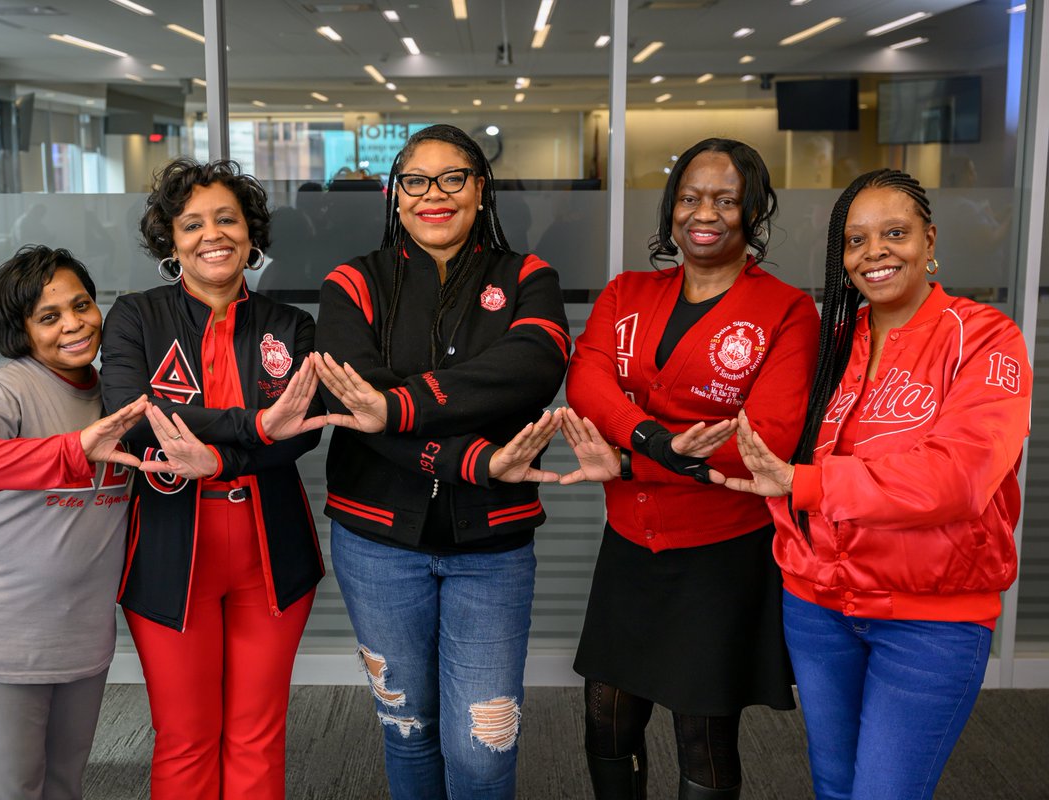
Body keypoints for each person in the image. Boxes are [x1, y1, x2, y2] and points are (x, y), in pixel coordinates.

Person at [721, 168, 1031, 800]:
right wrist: (638, 448)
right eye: (856, 240)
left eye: (895, 233)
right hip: (817, 608)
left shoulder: (983, 337)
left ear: (929, 239)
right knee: (834, 785)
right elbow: (768, 438)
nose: (875, 252)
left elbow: (959, 478)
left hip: (928, 619)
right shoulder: (832, 340)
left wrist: (806, 485)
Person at [313, 123, 570, 800]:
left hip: (492, 549)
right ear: (396, 196)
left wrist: (400, 405)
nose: (435, 194)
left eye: (453, 178)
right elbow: (353, 405)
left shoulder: (527, 276)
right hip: (376, 542)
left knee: (484, 746)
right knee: (408, 729)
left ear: (480, 189)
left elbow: (532, 365)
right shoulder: (352, 283)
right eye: (416, 181)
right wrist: (473, 461)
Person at [562, 137, 820, 800]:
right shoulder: (627, 292)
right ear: (671, 209)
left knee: (702, 733)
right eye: (689, 198)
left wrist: (626, 461)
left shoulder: (786, 311)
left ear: (753, 211)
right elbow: (588, 381)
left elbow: (763, 443)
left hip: (720, 553)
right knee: (606, 719)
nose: (704, 213)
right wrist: (652, 441)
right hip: (630, 544)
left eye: (726, 200)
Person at [99, 158, 326, 799]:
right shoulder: (136, 317)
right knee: (185, 735)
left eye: (227, 219)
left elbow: (304, 430)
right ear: (170, 241)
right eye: (192, 223)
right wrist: (255, 426)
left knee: (258, 734)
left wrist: (221, 458)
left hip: (271, 552)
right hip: (169, 552)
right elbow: (134, 416)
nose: (212, 235)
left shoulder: (291, 325)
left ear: (250, 233)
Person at [0, 245, 157, 800]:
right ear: (21, 331)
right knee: (11, 788)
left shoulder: (116, 392)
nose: (74, 324)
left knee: (62, 785)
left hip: (80, 634)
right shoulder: (7, 388)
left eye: (81, 305)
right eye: (48, 317)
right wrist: (72, 449)